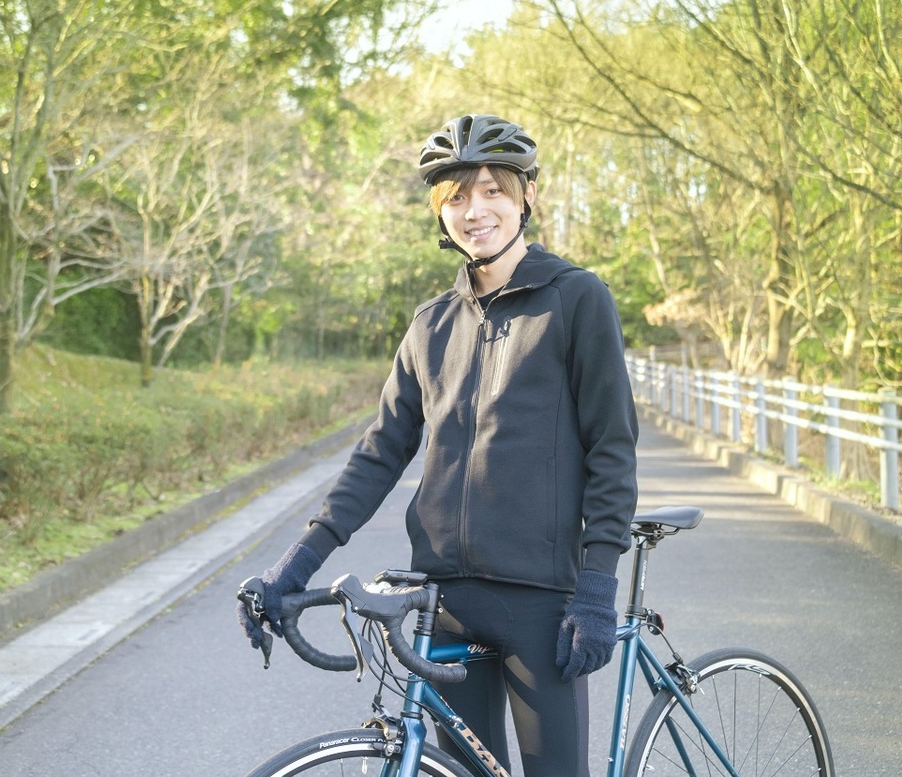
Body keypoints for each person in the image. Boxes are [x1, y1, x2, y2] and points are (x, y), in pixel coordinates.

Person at [238, 113, 639, 776]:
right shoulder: (430, 323)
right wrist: (294, 566)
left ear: (526, 197)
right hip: (444, 599)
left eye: (492, 190)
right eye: (456, 196)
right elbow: (380, 452)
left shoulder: (575, 300)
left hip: (542, 600)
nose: (474, 210)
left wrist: (597, 585)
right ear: (440, 212)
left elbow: (611, 450)